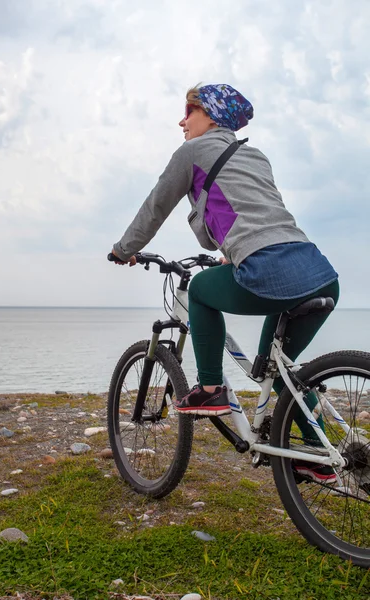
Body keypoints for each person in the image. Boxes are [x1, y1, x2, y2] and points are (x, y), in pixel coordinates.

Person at [111, 83, 339, 484]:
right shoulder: (255, 156)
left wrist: (124, 248)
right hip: (318, 272)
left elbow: (155, 206)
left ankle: (211, 387)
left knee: (199, 289)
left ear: (212, 116)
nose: (181, 121)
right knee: (277, 367)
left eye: (189, 111)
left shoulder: (192, 153)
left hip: (267, 270)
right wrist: (233, 253)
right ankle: (318, 456)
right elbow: (256, 213)